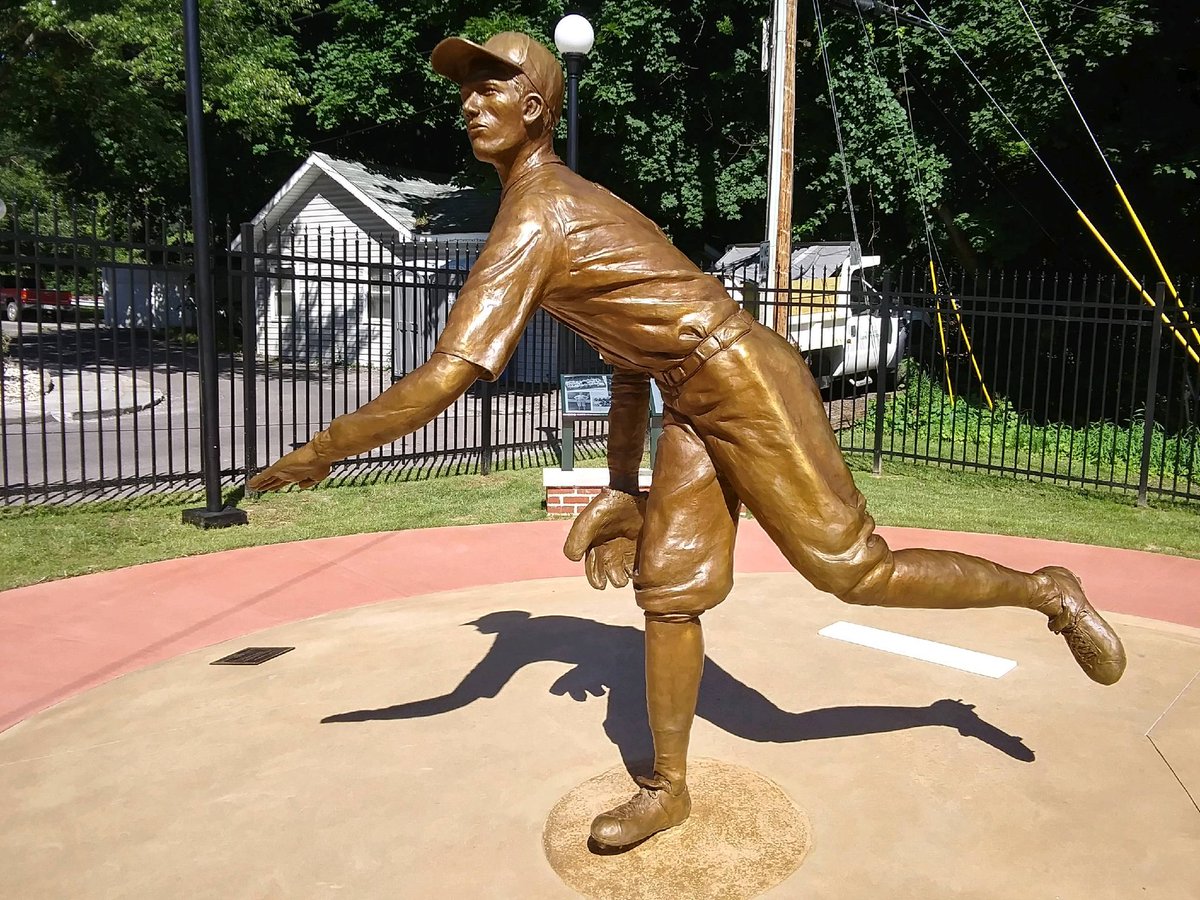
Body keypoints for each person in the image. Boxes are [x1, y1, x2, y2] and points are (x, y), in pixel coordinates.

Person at [248, 31, 1126, 849]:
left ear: (537, 108)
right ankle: (668, 789)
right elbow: (630, 365)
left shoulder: (541, 214)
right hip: (691, 396)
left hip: (743, 378)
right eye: (466, 92)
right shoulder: (557, 207)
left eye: (491, 88)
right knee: (668, 594)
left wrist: (321, 452)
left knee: (854, 573)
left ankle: (1046, 592)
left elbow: (448, 373)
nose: (470, 104)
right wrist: (623, 488)